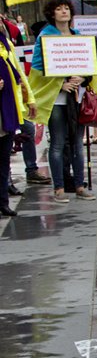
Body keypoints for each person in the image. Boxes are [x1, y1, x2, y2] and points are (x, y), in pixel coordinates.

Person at [29, 0, 97, 202]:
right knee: (57, 143)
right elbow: (38, 70)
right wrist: (60, 84)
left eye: (66, 8)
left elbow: (89, 66)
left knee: (77, 144)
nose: (64, 12)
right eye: (59, 9)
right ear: (52, 13)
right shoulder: (45, 36)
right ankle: (59, 188)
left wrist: (82, 77)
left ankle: (80, 186)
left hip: (77, 99)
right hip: (56, 100)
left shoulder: (78, 35)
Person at [0, 24, 36, 216]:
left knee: (4, 156)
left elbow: (19, 74)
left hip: (8, 107)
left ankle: (3, 200)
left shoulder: (5, 44)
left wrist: (29, 98)